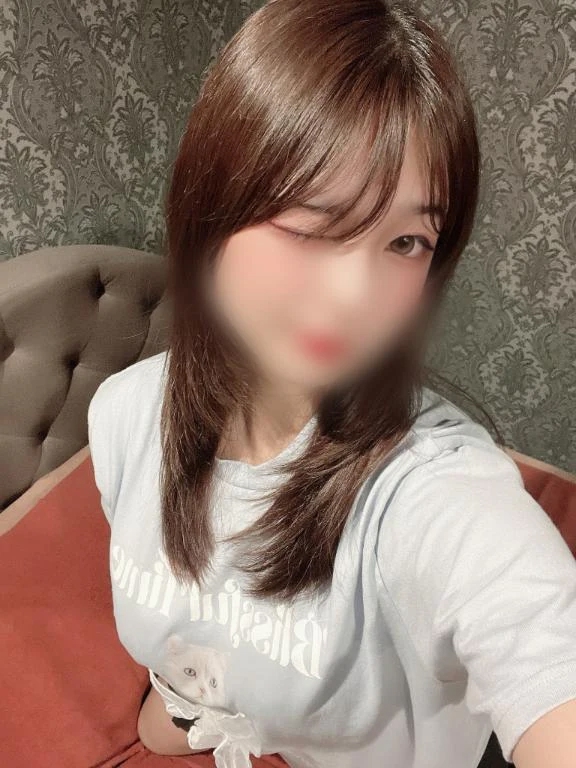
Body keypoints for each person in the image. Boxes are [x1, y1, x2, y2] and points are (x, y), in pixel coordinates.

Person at [87, 1, 576, 767]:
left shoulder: (432, 491)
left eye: (406, 241)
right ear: (211, 209)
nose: (355, 297)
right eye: (312, 222)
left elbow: (538, 641)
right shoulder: (123, 416)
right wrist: (182, 709)